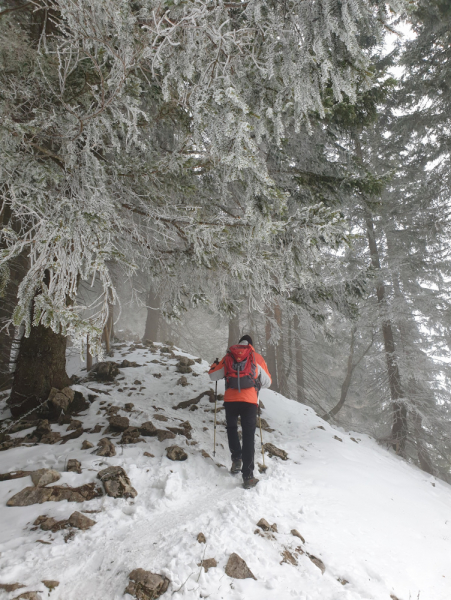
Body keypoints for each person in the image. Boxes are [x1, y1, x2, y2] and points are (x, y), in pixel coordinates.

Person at [209, 334, 271, 489]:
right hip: (250, 401)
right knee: (249, 435)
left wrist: (214, 365)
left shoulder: (229, 356)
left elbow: (213, 375)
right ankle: (248, 476)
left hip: (231, 400)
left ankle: (236, 458)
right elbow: (267, 382)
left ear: (239, 344)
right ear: (251, 345)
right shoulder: (256, 357)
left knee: (231, 428)